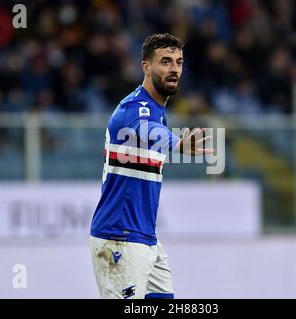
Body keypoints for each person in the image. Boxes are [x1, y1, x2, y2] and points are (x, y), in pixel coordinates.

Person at [89, 33, 213, 299]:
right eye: (165, 62)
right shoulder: (134, 108)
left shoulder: (158, 109)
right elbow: (148, 131)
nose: (174, 69)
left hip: (145, 237)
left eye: (179, 62)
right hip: (119, 237)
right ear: (146, 66)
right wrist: (178, 144)